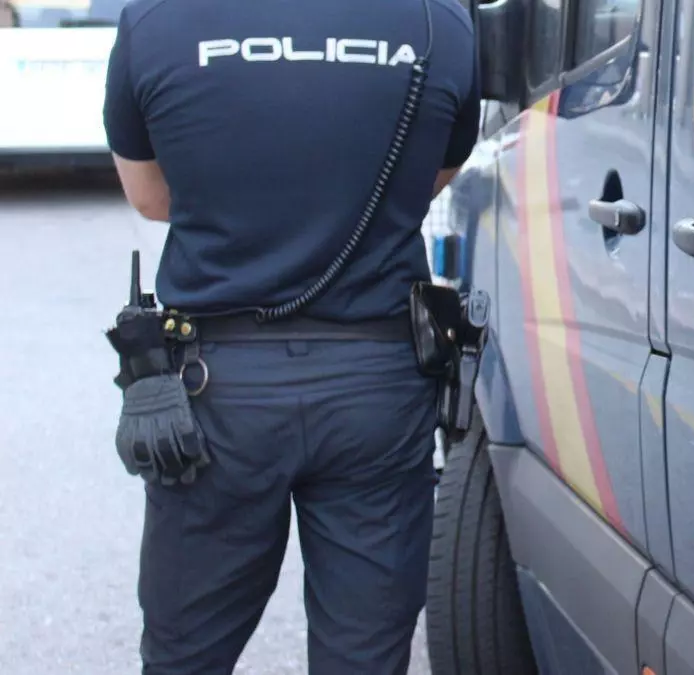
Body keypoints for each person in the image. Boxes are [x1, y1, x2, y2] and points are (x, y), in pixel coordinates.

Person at [101, 0, 481, 671]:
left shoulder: (155, 19)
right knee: (365, 653)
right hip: (376, 385)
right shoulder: (440, 19)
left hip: (215, 394)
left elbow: (150, 197)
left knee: (185, 652)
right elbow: (429, 179)